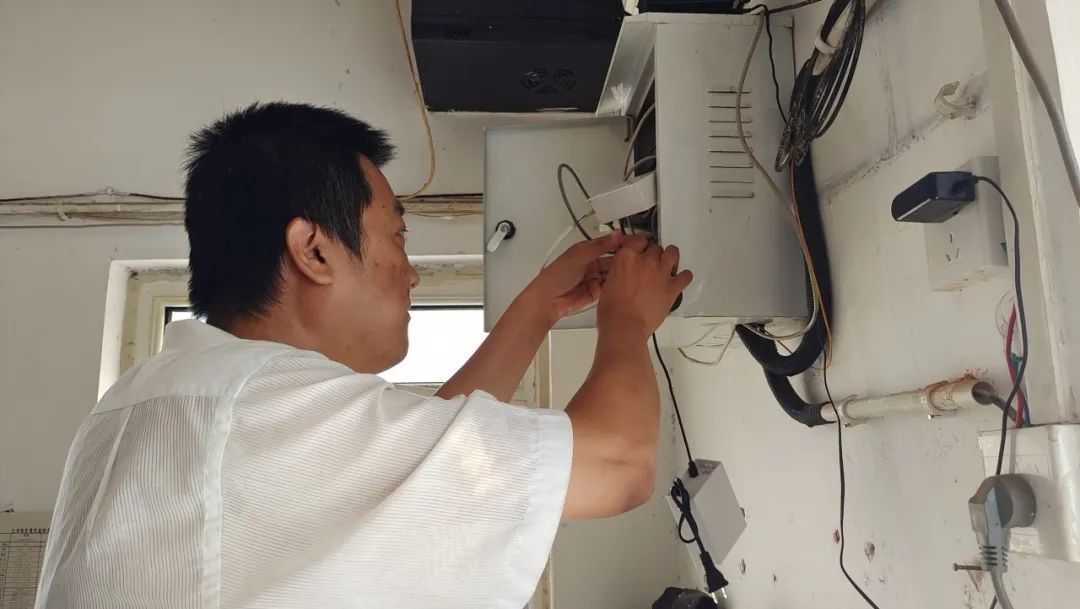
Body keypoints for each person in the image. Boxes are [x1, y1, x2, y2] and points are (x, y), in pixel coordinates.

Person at [35, 102, 693, 609]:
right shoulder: (262, 408)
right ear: (313, 250)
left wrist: (537, 308)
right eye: (397, 236)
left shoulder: (155, 402)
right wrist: (628, 318)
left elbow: (416, 477)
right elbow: (618, 463)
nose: (412, 273)